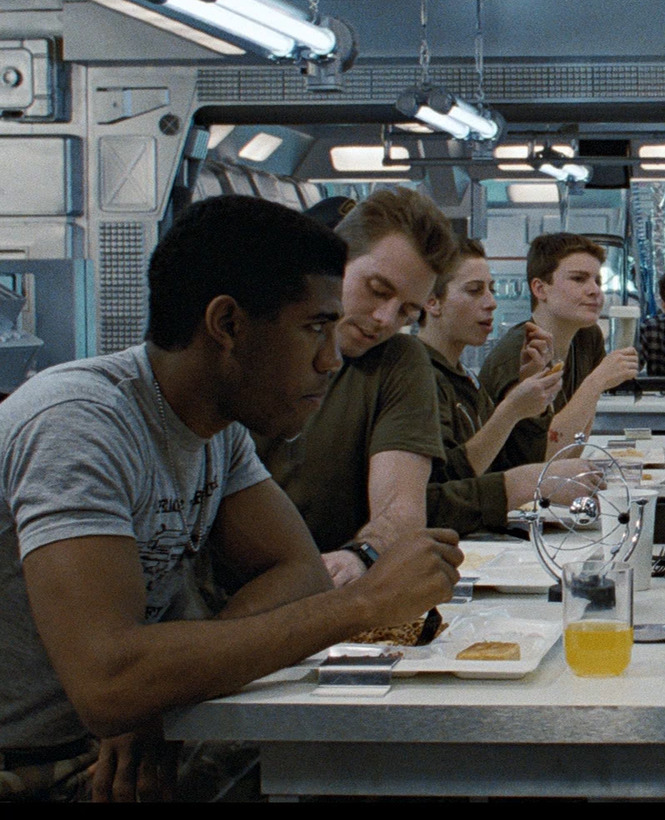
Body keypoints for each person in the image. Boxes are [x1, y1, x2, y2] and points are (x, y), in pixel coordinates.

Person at [0, 196, 461, 801]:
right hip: (37, 766)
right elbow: (108, 679)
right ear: (227, 324)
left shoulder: (217, 432)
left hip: (137, 741)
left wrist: (166, 683)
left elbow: (297, 572)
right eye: (313, 328)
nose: (330, 359)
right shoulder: (80, 425)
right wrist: (366, 604)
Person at [256, 188, 457, 586]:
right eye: (377, 290)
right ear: (334, 262)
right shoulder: (252, 349)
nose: (384, 319)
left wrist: (359, 557)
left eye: (406, 311)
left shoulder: (397, 362)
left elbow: (401, 507)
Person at [414, 238, 590, 533]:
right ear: (431, 301)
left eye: (491, 290)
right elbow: (438, 491)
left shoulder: (463, 378)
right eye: (474, 291)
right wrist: (510, 411)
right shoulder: (417, 379)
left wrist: (530, 406)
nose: (491, 302)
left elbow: (511, 463)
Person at [478, 233, 640, 464]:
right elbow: (544, 458)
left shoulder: (587, 337)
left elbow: (574, 446)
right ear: (540, 289)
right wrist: (596, 383)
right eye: (578, 279)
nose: (595, 290)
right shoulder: (521, 352)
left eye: (598, 281)